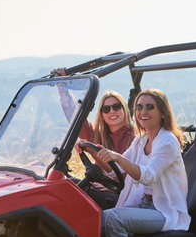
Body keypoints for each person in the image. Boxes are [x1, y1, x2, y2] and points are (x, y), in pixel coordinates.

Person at [96, 89, 191, 237]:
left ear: (162, 113)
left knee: (115, 218)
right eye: (139, 107)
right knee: (98, 217)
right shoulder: (140, 140)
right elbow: (116, 167)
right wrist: (96, 155)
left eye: (149, 107)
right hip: (143, 205)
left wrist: (116, 157)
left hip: (164, 212)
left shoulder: (168, 141)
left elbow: (147, 176)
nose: (143, 112)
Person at [50, 68, 135, 209]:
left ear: (124, 109)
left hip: (123, 195)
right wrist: (62, 86)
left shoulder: (135, 137)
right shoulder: (97, 135)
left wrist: (113, 187)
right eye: (106, 109)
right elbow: (76, 116)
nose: (112, 112)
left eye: (116, 106)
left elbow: (136, 174)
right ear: (101, 114)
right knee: (65, 186)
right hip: (99, 188)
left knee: (79, 198)